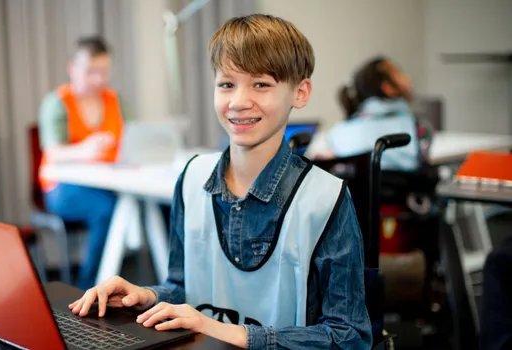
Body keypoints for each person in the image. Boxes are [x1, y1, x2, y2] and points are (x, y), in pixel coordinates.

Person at [68, 14, 372, 349]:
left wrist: (227, 331)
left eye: (261, 84)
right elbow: (186, 287)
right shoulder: (192, 179)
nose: (239, 101)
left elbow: (350, 338)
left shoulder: (326, 200)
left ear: (300, 93)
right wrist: (146, 296)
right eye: (227, 84)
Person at [38, 35, 124, 291]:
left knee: (157, 204)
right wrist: (85, 150)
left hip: (106, 180)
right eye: (91, 71)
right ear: (72, 69)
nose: (98, 79)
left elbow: (130, 138)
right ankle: (89, 287)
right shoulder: (57, 102)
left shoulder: (113, 100)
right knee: (107, 209)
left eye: (104, 71)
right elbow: (53, 152)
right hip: (62, 188)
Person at [320, 57, 420, 171]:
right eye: (399, 73)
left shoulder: (337, 132)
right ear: (387, 87)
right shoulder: (407, 125)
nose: (407, 77)